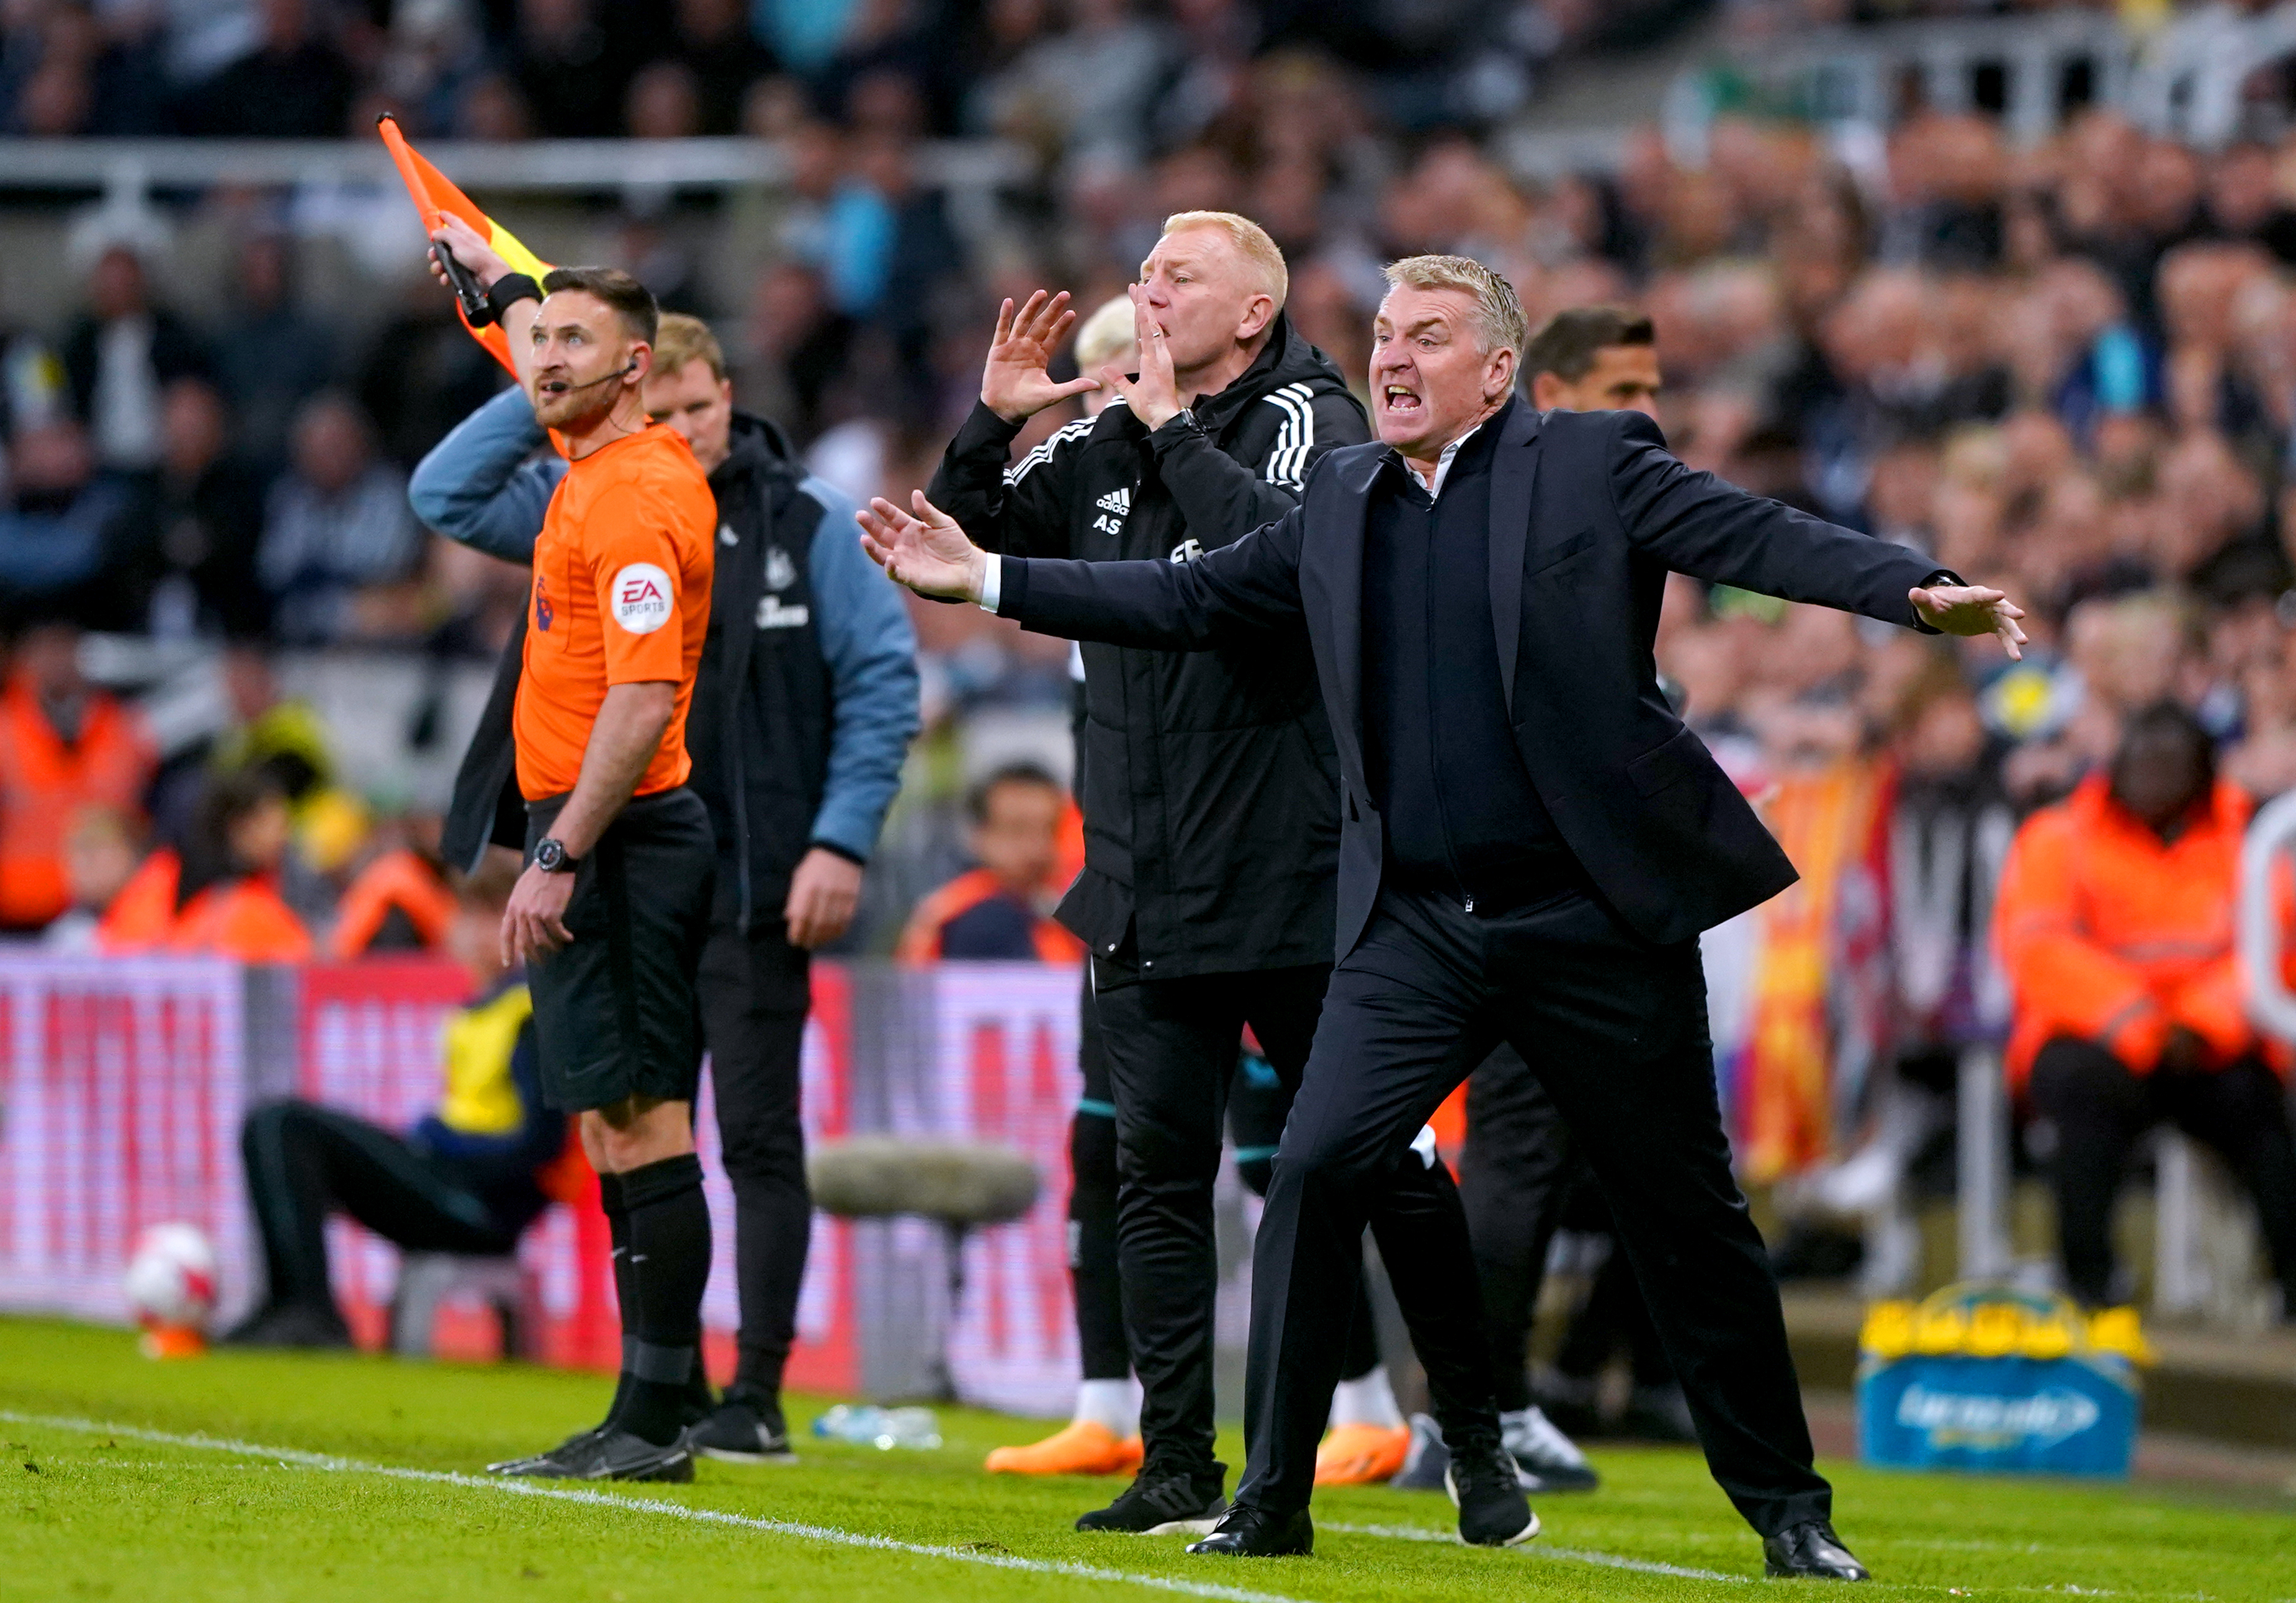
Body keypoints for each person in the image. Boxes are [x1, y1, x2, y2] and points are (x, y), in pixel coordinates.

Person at [858, 251, 2027, 1574]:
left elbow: (1749, 533)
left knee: (1683, 1215)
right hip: (1414, 924)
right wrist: (992, 583)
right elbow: (1194, 595)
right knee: (1311, 1169)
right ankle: (1273, 1498)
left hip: (1587, 915)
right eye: (1383, 335)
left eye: (1426, 335)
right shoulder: (1347, 491)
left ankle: (1785, 1507)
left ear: (1495, 369)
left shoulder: (1593, 462)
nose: (1392, 357)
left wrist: (1906, 587)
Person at [923, 212, 1375, 1534]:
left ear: (1249, 311)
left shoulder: (1309, 414)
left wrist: (1170, 426)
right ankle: (1174, 1459)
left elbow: (1282, 572)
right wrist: (989, 424)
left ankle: (1447, 1424)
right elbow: (954, 543)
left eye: (1174, 275)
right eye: (1140, 271)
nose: (1143, 290)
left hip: (1289, 876)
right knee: (1156, 1181)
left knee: (1342, 1172)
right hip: (1146, 878)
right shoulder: (1107, 433)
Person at [414, 303, 918, 1465]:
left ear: (725, 395)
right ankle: (667, 1386)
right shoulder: (586, 490)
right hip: (642, 840)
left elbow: (884, 683)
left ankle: (750, 1391)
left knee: (746, 1132)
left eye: (702, 406)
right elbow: (445, 495)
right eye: (668, 409)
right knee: (627, 1117)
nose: (687, 427)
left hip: (741, 868)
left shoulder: (801, 521)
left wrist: (840, 839)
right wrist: (541, 370)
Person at [421, 226, 720, 1485]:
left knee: (644, 1120)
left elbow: (643, 699)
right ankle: (645, 1402)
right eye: (537, 344)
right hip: (597, 835)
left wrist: (553, 852)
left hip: (625, 837)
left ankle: (654, 1419)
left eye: (573, 344)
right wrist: (503, 295)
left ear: (635, 366)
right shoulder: (584, 465)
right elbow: (536, 355)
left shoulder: (640, 493)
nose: (544, 364)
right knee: (610, 1121)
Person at [1441, 305, 1673, 1495]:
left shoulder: (1600, 500)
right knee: (1511, 1151)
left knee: (1528, 1153)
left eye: (1654, 381)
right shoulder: (1520, 502)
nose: (1648, 405)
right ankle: (1471, 1405)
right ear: (1552, 387)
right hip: (1515, 888)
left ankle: (1472, 1400)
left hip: (1540, 885)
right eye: (1624, 381)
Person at [1996, 700, 2296, 1319]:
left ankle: (2289, 1286)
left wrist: (2198, 1023)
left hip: (2210, 1041)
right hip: (2097, 1037)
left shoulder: (2255, 838)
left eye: (2170, 761)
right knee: (2080, 1095)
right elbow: (2036, 947)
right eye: (2140, 756)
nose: (2152, 773)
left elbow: (2276, 945)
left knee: (2259, 1108)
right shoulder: (2056, 835)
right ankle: (2089, 1287)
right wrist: (2136, 1023)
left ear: (2203, 771)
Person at [226, 860, 572, 1348]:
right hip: (452, 1179)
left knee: (285, 1125)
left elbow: (540, 1144)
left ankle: (310, 1310)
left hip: (480, 1203)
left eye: (487, 917)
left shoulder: (528, 1015)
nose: (469, 933)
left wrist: (443, 1143)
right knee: (270, 1124)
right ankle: (285, 1302)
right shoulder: (486, 1006)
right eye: (465, 915)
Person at [0, 620, 156, 933]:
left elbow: (143, 815)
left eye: (65, 647)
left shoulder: (121, 726)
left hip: (108, 906)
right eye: (46, 648)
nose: (56, 660)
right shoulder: (6, 728)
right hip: (18, 909)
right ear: (25, 657)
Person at [898, 764, 1085, 961]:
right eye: (1017, 830)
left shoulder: (1043, 904)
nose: (1037, 848)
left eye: (1050, 829)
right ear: (979, 835)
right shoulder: (981, 917)